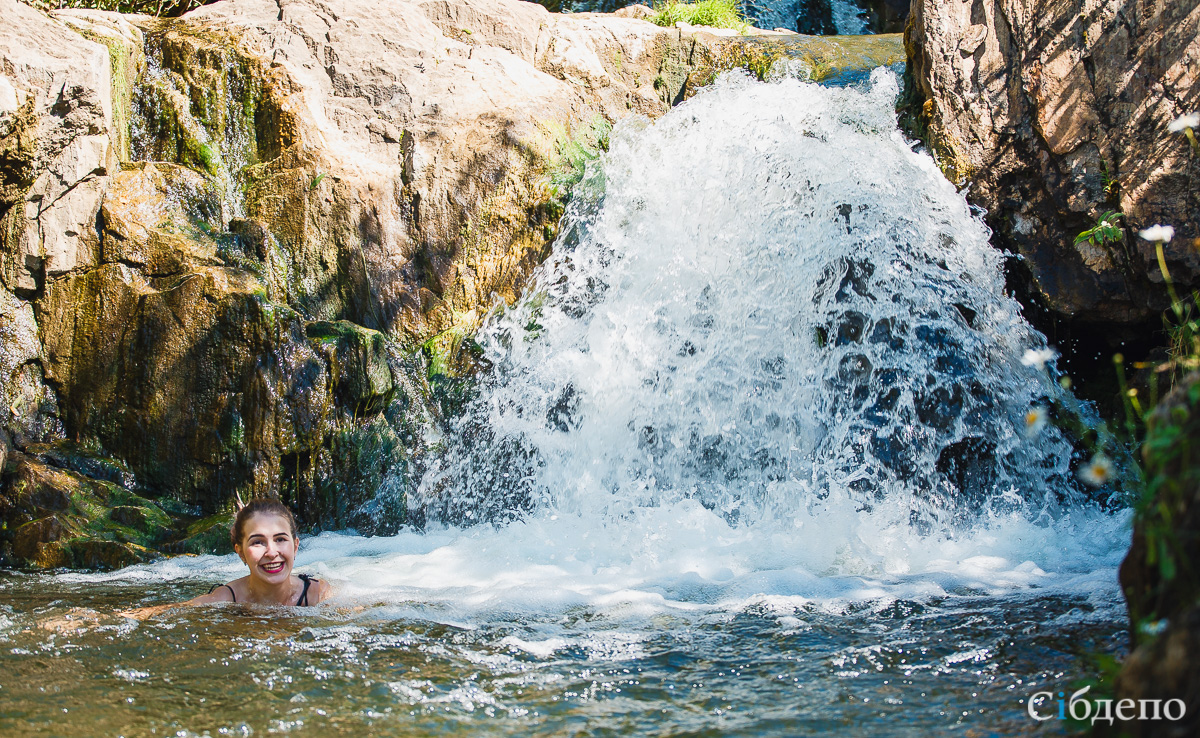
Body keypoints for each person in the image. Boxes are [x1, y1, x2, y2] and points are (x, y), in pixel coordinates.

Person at [123, 498, 330, 619]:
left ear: (295, 546)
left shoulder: (318, 594)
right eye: (258, 542)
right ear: (239, 551)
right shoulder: (226, 599)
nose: (271, 552)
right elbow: (173, 610)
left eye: (280, 539)